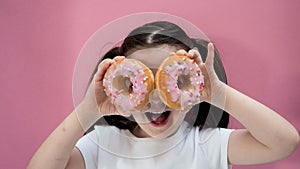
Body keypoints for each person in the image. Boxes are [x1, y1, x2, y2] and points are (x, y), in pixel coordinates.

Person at [27, 21, 299, 169]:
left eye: (173, 82)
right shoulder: (102, 145)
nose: (155, 100)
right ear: (119, 87)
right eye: (137, 84)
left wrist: (219, 95)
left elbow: (284, 142)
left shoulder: (206, 145)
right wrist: (89, 112)